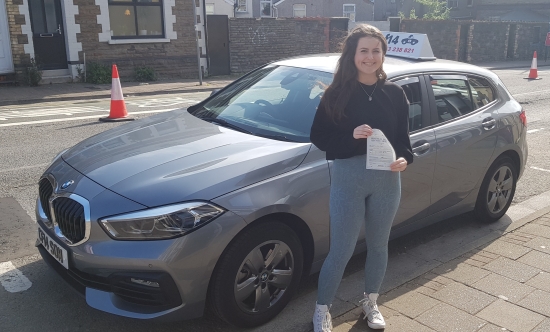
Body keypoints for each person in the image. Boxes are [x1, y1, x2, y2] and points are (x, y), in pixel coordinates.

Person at [309, 24, 413, 331]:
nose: (370, 57)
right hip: (348, 180)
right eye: (363, 51)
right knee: (341, 249)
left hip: (386, 181)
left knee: (379, 245)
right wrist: (352, 137)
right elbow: (319, 136)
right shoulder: (336, 93)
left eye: (376, 51)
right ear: (352, 55)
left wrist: (405, 158)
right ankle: (321, 309)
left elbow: (403, 140)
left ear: (383, 54)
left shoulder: (395, 93)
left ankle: (370, 302)